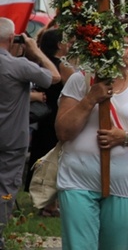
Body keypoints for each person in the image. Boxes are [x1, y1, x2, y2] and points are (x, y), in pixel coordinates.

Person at [55, 20, 128, 250]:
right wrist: (90, 99)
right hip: (78, 179)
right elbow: (63, 131)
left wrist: (123, 137)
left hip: (122, 182)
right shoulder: (81, 80)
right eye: (125, 45)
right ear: (105, 48)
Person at [0, 18, 60, 248]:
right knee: (6, 188)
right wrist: (35, 51)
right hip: (12, 138)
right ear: (11, 39)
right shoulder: (18, 66)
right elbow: (54, 76)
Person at [25, 28, 75, 217]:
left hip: (43, 117)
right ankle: (50, 204)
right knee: (53, 157)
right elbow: (74, 86)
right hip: (55, 115)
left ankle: (43, 200)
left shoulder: (42, 63)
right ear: (59, 45)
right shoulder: (61, 65)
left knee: (42, 156)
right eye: (67, 41)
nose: (70, 45)